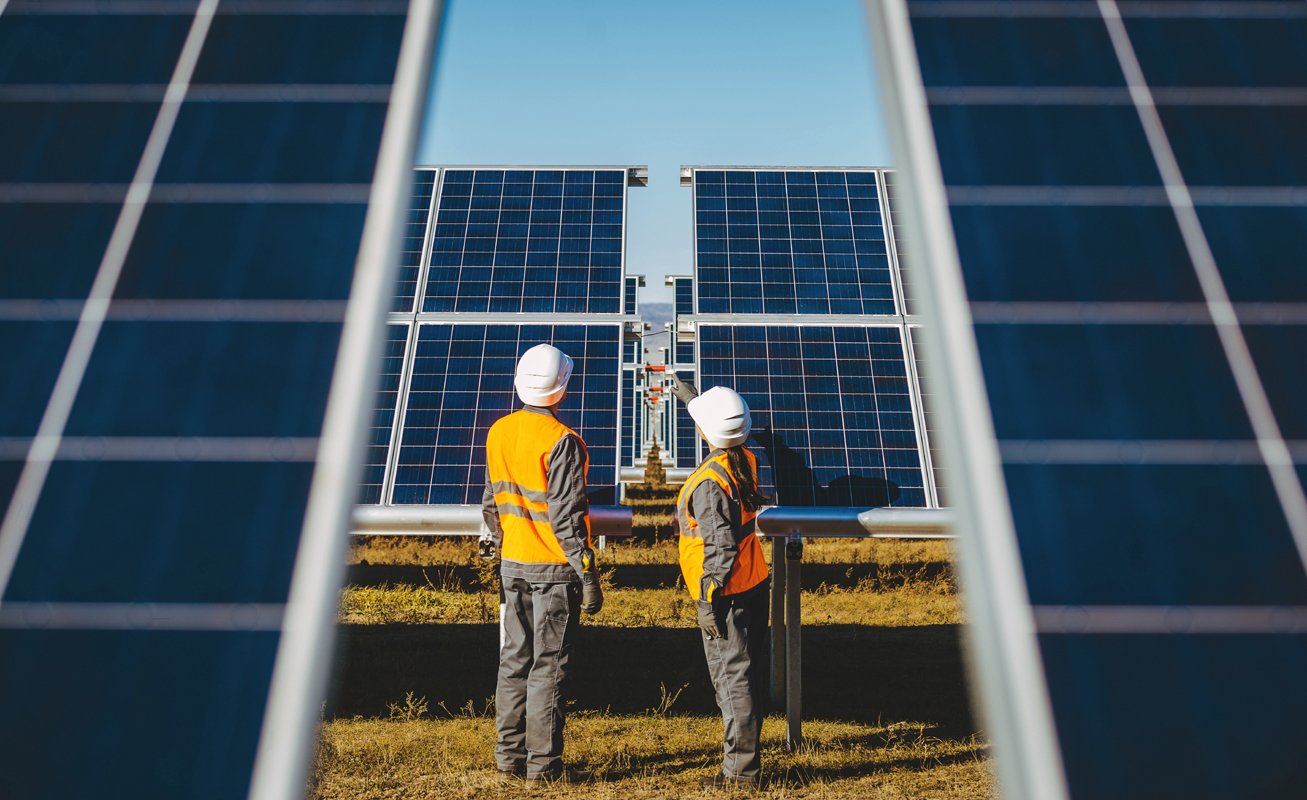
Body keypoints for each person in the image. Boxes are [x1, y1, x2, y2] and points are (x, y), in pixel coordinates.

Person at [480, 343, 604, 784]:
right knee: (547, 669)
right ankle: (543, 768)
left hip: (512, 565)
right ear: (562, 388)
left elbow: (492, 502)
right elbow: (567, 518)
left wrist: (503, 542)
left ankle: (507, 760)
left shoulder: (499, 431)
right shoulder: (562, 441)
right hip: (553, 572)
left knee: (513, 662)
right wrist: (588, 574)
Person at [672, 375, 771, 789]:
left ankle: (740, 774)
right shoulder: (743, 458)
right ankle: (743, 762)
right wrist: (694, 401)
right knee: (745, 674)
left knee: (732, 680)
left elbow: (720, 548)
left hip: (724, 593)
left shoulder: (710, 483)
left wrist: (706, 600)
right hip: (751, 580)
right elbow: (722, 430)